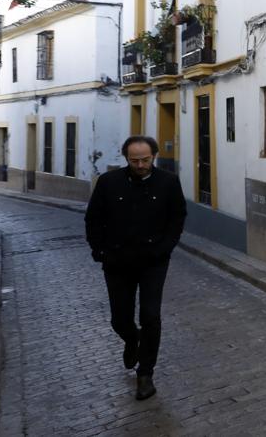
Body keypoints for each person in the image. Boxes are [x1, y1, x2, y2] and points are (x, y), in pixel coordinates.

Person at [85, 135, 187, 401]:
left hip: (153, 261)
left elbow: (177, 217)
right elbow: (93, 218)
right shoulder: (108, 183)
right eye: (134, 160)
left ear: (153, 156)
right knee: (120, 319)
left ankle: (146, 374)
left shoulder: (168, 182)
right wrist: (99, 250)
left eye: (145, 160)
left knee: (151, 315)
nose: (140, 165)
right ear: (126, 158)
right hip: (117, 262)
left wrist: (165, 248)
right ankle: (132, 339)